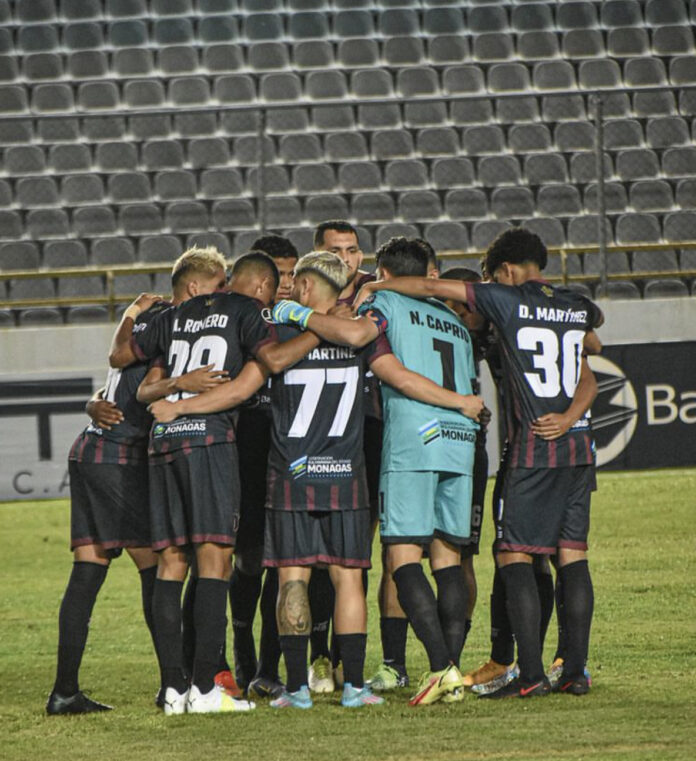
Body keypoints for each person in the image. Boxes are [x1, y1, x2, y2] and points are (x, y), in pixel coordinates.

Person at [353, 227, 604, 698]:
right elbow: (593, 350)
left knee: (511, 554)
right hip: (576, 449)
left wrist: (375, 287)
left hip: (528, 448)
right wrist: (571, 416)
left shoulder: (503, 304)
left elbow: (427, 287)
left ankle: (524, 674)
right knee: (569, 554)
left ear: (504, 273)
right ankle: (573, 669)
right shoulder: (569, 307)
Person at [273, 238, 485, 705]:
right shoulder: (453, 318)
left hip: (416, 438)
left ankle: (441, 668)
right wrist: (463, 406)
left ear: (384, 275)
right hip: (460, 440)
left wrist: (295, 314)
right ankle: (449, 667)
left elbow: (385, 364)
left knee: (402, 559)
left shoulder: (384, 304)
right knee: (448, 560)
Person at [110, 248, 315, 715]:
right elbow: (269, 363)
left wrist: (174, 392)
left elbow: (134, 374)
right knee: (215, 561)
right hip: (209, 442)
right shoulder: (247, 311)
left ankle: (173, 689)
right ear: (261, 289)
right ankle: (205, 689)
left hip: (163, 442)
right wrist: (319, 329)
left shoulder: (171, 315)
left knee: (171, 563)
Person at [227, 235, 299, 699]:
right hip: (246, 446)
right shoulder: (236, 319)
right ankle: (241, 650)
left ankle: (269, 667)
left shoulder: (300, 320)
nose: (285, 282)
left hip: (291, 447)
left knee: (281, 559)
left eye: (292, 273)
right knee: (248, 557)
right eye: (278, 274)